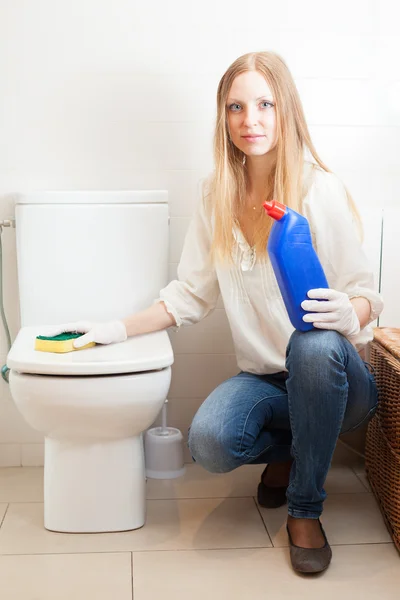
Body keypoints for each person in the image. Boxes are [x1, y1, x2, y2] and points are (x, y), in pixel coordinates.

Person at [48, 51, 384, 574]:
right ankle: (289, 450)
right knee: (209, 442)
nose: (250, 120)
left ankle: (304, 510)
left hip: (340, 380)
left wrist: (351, 312)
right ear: (223, 117)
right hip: (269, 381)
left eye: (265, 104)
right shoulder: (216, 197)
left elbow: (367, 293)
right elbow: (189, 294)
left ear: (286, 110)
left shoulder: (320, 189)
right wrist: (113, 329)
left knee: (313, 344)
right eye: (236, 107)